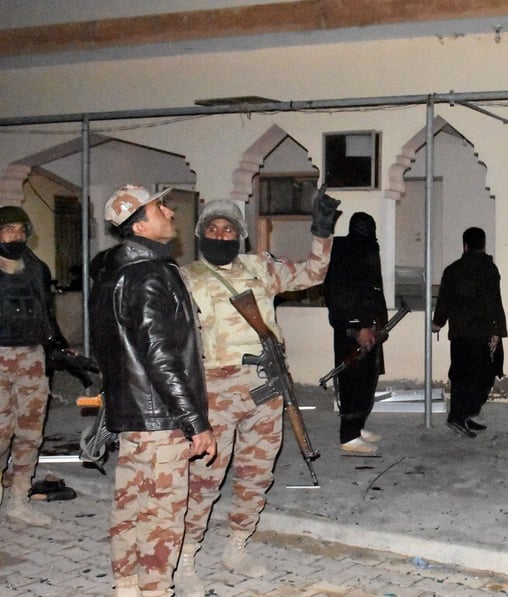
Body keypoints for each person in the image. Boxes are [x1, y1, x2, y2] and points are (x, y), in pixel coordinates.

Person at [173, 190, 339, 595]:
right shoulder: (185, 277)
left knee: (256, 471)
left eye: (228, 229)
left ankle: (236, 546)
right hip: (214, 387)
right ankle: (186, 559)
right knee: (205, 478)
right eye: (212, 228)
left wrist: (321, 232)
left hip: (265, 384)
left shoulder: (261, 268)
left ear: (240, 235)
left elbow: (314, 274)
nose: (220, 234)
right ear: (200, 234)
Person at [90, 185, 216, 597]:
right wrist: (195, 421)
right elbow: (162, 357)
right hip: (160, 420)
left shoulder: (111, 271)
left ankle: (126, 586)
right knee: (161, 516)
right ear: (141, 224)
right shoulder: (149, 274)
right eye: (159, 207)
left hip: (132, 417)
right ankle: (155, 590)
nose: (169, 211)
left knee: (129, 506)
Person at [0, 206, 94, 526]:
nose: (15, 236)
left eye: (20, 230)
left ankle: (19, 498)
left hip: (31, 357)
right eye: (8, 229)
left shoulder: (35, 267)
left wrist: (59, 347)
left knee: (29, 433)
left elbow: (45, 313)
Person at [431, 227, 508, 438]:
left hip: (460, 333)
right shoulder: (489, 269)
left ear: (464, 245)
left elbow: (444, 299)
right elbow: (495, 302)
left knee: (461, 376)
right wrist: (496, 331)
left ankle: (462, 415)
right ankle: (458, 416)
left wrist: (438, 323)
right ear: (483, 244)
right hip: (481, 333)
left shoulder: (452, 269)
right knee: (481, 377)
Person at [325, 212, 388, 455]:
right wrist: (359, 325)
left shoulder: (367, 249)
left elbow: (371, 289)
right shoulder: (344, 251)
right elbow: (342, 294)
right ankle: (348, 435)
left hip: (368, 328)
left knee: (366, 381)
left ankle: (358, 427)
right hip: (352, 331)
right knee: (352, 381)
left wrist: (376, 323)